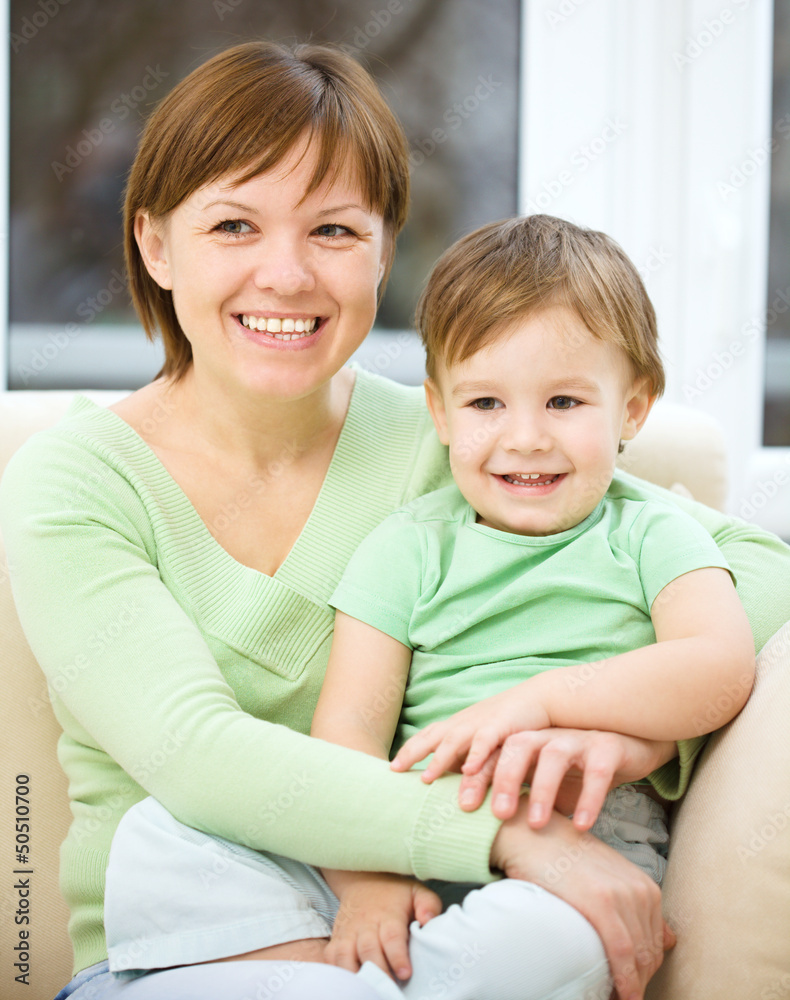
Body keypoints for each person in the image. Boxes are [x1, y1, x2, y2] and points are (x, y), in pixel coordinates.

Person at [0, 40, 787, 1000]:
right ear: (155, 245)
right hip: (195, 953)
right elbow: (197, 758)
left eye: (333, 230)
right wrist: (508, 832)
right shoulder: (74, 481)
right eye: (236, 225)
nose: (286, 276)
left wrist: (629, 728)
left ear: (384, 250)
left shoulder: (466, 441)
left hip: (437, 935)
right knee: (175, 831)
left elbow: (760, 570)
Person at [305, 214, 755, 984]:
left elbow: (719, 665)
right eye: (485, 404)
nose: (525, 438)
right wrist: (364, 881)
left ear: (634, 409)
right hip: (413, 828)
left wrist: (545, 700)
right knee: (166, 842)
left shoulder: (653, 534)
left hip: (580, 845)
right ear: (439, 413)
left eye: (564, 403)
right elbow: (344, 734)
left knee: (553, 944)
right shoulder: (406, 546)